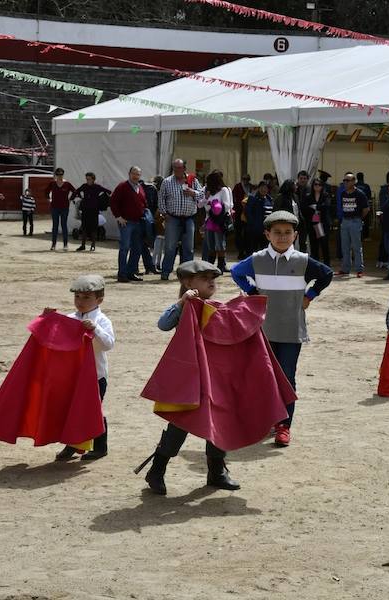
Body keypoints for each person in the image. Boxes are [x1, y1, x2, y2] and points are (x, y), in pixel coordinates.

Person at [231, 210, 334, 447]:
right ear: (267, 234)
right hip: (263, 331)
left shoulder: (302, 260)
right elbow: (236, 272)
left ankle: (284, 426)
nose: (282, 237)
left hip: (291, 331)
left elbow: (326, 274)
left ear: (295, 235)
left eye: (288, 233)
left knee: (287, 377)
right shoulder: (257, 259)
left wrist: (310, 295)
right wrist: (253, 292)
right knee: (265, 376)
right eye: (276, 232)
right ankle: (268, 418)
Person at [141, 260, 240, 494]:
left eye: (213, 278)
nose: (211, 281)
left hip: (214, 377)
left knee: (218, 422)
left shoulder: (216, 307)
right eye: (204, 278)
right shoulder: (186, 307)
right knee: (180, 423)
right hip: (189, 378)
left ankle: (216, 472)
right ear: (188, 282)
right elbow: (163, 324)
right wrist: (182, 302)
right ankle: (157, 469)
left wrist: (242, 305)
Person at [51, 275, 115, 461]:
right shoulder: (69, 318)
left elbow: (108, 344)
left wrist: (95, 329)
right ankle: (72, 445)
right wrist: (47, 319)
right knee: (72, 410)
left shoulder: (102, 321)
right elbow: (54, 340)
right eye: (77, 297)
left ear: (99, 300)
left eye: (86, 297)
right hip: (72, 376)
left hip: (96, 376)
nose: (80, 301)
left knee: (92, 411)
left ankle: (100, 447)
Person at [158, 159, 204, 280]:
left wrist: (192, 192)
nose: (177, 170)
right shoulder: (167, 182)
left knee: (188, 248)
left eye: (179, 168)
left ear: (184, 168)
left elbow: (202, 195)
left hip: (189, 219)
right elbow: (161, 198)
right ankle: (165, 272)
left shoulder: (192, 180)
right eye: (175, 168)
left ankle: (187, 275)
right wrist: (164, 213)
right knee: (170, 247)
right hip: (172, 218)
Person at [109, 166, 147, 283]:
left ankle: (131, 272)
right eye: (134, 174)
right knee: (124, 248)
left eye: (138, 174)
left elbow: (143, 202)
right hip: (126, 222)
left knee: (137, 249)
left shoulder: (139, 187)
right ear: (129, 174)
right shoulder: (122, 186)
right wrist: (118, 217)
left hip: (138, 222)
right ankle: (122, 274)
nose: (136, 176)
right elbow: (113, 201)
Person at [336, 172, 369, 277]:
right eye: (344, 180)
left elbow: (366, 209)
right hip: (345, 221)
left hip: (355, 221)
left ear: (354, 181)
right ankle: (345, 269)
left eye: (347, 180)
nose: (345, 182)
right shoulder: (343, 193)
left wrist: (359, 218)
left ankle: (359, 269)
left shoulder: (360, 194)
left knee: (356, 246)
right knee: (344, 246)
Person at [200, 170, 233, 272]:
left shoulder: (224, 190)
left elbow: (227, 205)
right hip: (209, 220)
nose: (207, 183)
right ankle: (210, 265)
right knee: (210, 244)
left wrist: (215, 206)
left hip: (219, 220)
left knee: (220, 244)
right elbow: (200, 204)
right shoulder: (207, 190)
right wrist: (206, 199)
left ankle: (221, 265)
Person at [74, 173, 111, 252]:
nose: (88, 181)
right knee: (84, 227)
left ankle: (93, 245)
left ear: (93, 179)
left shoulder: (97, 187)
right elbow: (77, 191)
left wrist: (103, 201)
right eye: (87, 179)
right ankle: (83, 245)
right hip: (85, 210)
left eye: (89, 179)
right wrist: (78, 197)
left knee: (94, 228)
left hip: (94, 210)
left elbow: (108, 191)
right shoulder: (84, 186)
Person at [300, 177, 331, 265]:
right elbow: (304, 208)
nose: (317, 186)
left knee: (324, 245)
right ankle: (315, 266)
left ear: (322, 186)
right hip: (312, 223)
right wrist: (316, 208)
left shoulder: (325, 195)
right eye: (315, 184)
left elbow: (326, 206)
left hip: (322, 224)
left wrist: (315, 207)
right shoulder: (308, 196)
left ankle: (327, 265)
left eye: (319, 185)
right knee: (314, 246)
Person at [47, 167, 76, 251]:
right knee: (55, 226)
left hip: (64, 207)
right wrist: (49, 199)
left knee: (64, 226)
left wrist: (70, 199)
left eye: (61, 174)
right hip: (54, 207)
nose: (60, 176)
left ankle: (65, 244)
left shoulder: (67, 184)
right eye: (58, 174)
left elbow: (75, 191)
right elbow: (46, 191)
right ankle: (53, 244)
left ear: (63, 174)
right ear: (56, 175)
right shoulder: (52, 183)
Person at [244, 179, 274, 256]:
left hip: (266, 231)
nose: (264, 189)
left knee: (264, 250)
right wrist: (253, 225)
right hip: (254, 230)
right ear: (259, 188)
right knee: (253, 251)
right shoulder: (252, 198)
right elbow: (248, 213)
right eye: (262, 187)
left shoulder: (270, 200)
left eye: (266, 188)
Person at [232, 174, 252, 258]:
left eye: (247, 179)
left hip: (248, 213)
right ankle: (240, 251)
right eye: (244, 179)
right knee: (238, 233)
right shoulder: (237, 186)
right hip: (239, 212)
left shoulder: (251, 187)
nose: (246, 181)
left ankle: (247, 251)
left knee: (247, 233)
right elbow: (233, 197)